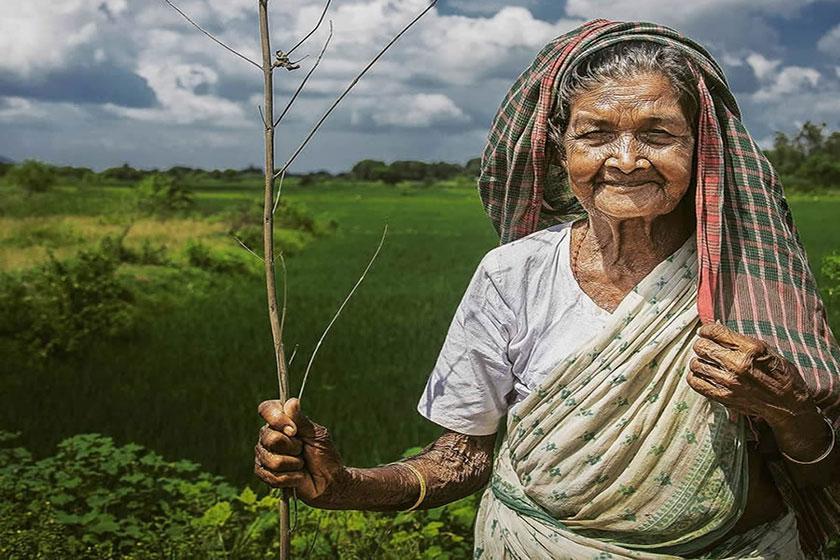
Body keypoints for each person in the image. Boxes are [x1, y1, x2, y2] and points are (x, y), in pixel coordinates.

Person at [254, 20, 840, 559]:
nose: (628, 160)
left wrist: (786, 408)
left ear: (702, 149)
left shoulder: (752, 281)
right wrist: (345, 486)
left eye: (659, 134)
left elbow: (823, 469)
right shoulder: (514, 275)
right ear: (561, 150)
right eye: (597, 134)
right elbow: (461, 460)